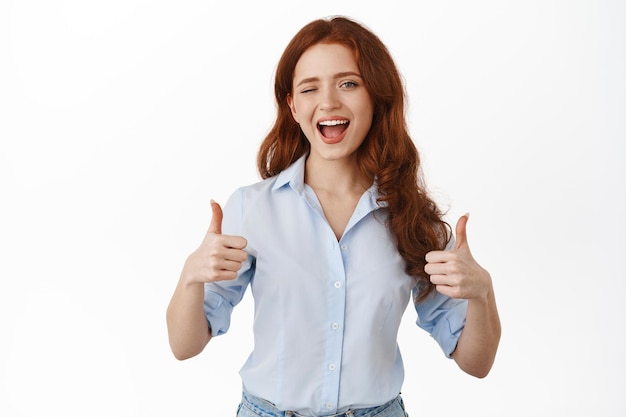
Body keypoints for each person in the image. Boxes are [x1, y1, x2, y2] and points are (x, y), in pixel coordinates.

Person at [166, 16, 501, 417]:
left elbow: (475, 363)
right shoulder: (251, 208)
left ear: (376, 96)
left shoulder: (413, 219)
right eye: (310, 88)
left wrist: (482, 292)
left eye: (348, 83)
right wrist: (190, 275)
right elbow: (185, 347)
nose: (328, 102)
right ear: (293, 106)